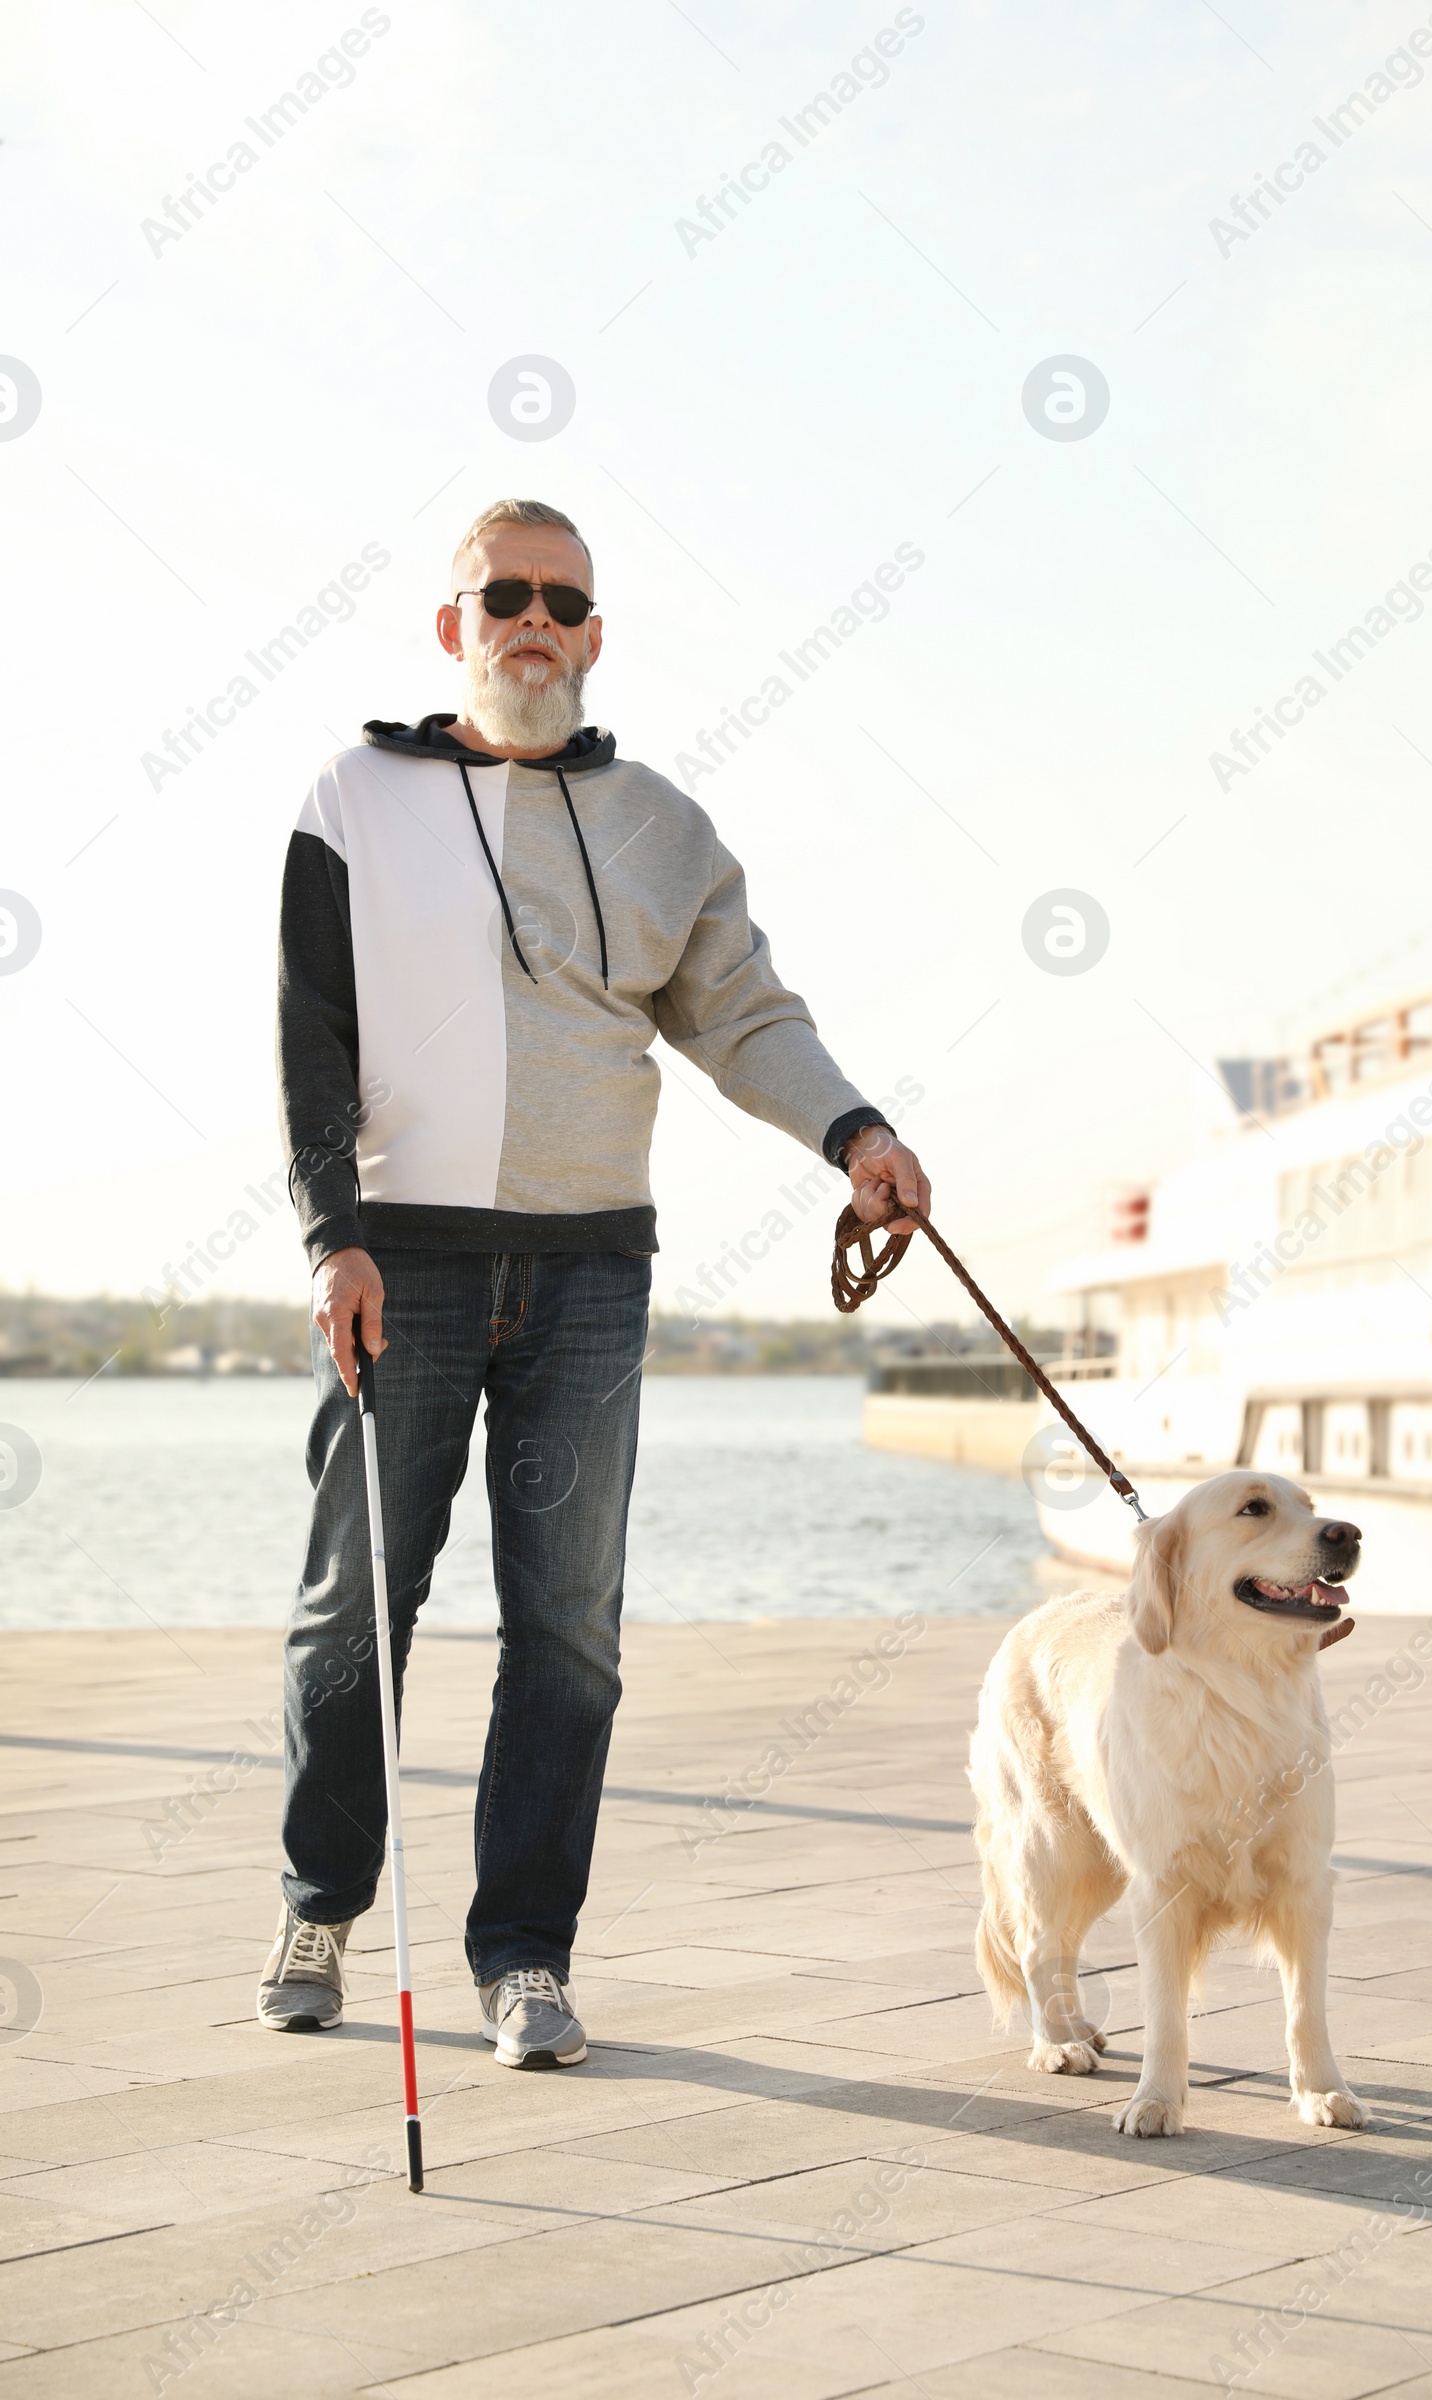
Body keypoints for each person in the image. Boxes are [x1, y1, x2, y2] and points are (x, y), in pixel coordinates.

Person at [260, 497, 930, 2066]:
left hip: (588, 1286)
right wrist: (330, 1234)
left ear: (598, 633)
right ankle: (317, 1900)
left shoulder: (661, 824)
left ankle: (525, 1957)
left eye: (564, 597)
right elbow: (308, 1038)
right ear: (454, 626)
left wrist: (856, 1129)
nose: (534, 619)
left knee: (568, 1630)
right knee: (354, 1603)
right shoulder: (351, 797)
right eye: (505, 593)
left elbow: (745, 1014)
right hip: (398, 1269)